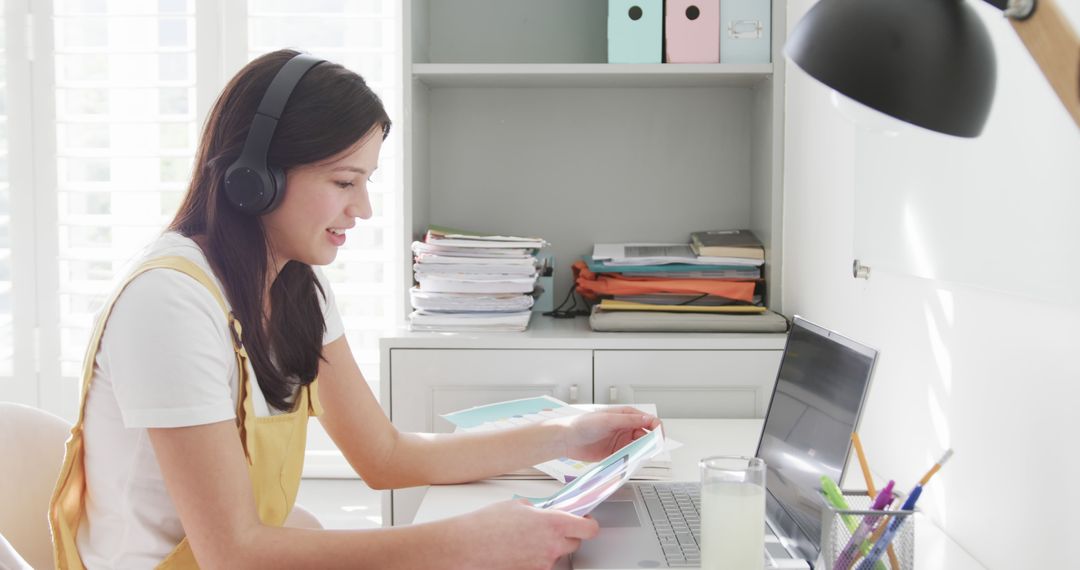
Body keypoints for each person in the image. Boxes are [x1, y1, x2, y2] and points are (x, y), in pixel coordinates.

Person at [47, 49, 661, 569]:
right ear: (253, 179)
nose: (363, 208)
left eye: (365, 181)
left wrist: (563, 436)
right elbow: (232, 551)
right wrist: (462, 543)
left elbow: (386, 456)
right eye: (344, 182)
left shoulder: (296, 287)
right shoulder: (170, 303)